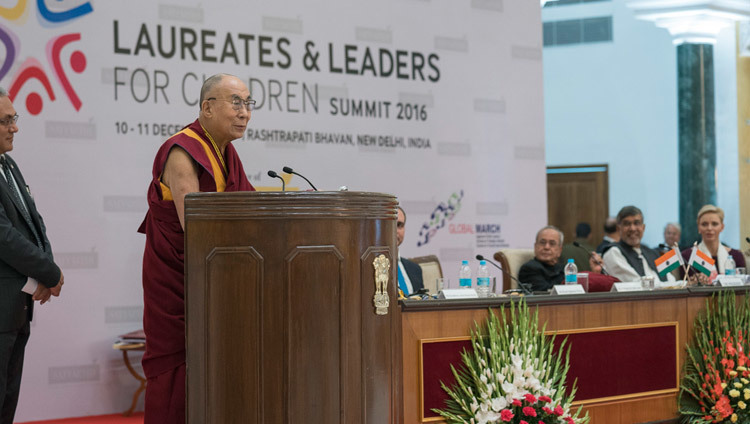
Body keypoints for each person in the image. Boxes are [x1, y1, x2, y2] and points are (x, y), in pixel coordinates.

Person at [138, 74, 256, 424]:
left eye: (248, 103)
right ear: (207, 106)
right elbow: (199, 229)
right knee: (179, 372)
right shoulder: (181, 151)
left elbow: (248, 211)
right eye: (236, 102)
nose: (245, 113)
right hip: (180, 285)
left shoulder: (226, 153)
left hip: (217, 281)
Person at [0, 88, 64, 424]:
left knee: (8, 405)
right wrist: (50, 273)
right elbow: (4, 237)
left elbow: (33, 222)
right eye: (6, 120)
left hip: (15, 310)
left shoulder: (8, 164)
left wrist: (43, 272)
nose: (15, 127)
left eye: (15, 118)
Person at [602, 206, 675, 283]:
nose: (632, 228)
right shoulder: (613, 252)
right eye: (627, 224)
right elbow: (635, 284)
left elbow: (671, 280)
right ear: (618, 228)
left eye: (636, 223)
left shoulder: (652, 252)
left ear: (643, 228)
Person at [519, 225, 602, 292]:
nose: (546, 247)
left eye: (552, 243)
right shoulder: (529, 269)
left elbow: (579, 289)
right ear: (535, 246)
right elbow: (546, 293)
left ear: (560, 250)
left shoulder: (564, 268)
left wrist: (596, 272)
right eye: (542, 242)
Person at [680, 205, 746, 280]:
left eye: (714, 224)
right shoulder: (688, 256)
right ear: (698, 228)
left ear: (722, 227)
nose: (709, 228)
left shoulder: (736, 256)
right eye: (704, 224)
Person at [396, 206, 423, 296]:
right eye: (391, 224)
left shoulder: (415, 269)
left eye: (399, 225)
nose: (395, 230)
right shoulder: (371, 268)